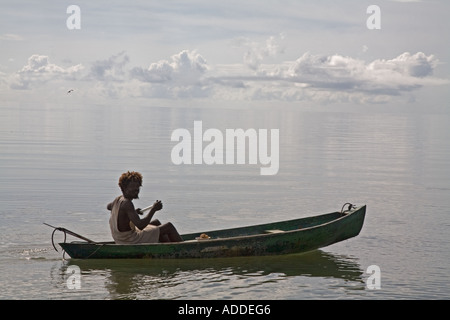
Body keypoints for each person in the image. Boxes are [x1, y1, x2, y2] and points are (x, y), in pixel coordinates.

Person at [107, 171, 183, 244]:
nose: (136, 189)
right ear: (124, 188)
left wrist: (131, 213)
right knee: (169, 226)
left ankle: (167, 246)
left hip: (121, 238)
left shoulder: (118, 199)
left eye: (138, 187)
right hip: (130, 240)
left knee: (156, 222)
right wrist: (153, 209)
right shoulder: (127, 203)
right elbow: (140, 226)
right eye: (133, 186)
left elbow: (109, 207)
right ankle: (182, 249)